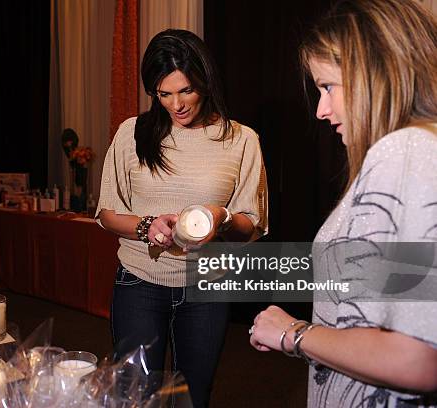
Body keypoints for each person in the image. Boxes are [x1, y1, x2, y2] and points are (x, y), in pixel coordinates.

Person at [249, 0, 437, 406]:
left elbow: (419, 357)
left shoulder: (405, 150)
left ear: (375, 73)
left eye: (327, 86)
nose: (321, 109)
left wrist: (293, 333)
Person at [96, 29, 268, 407]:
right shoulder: (133, 132)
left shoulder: (241, 139)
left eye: (186, 90)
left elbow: (250, 225)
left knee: (193, 396)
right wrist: (146, 226)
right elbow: (107, 214)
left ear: (205, 81)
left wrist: (220, 216)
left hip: (206, 285)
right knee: (134, 396)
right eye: (164, 94)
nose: (177, 105)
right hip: (139, 282)